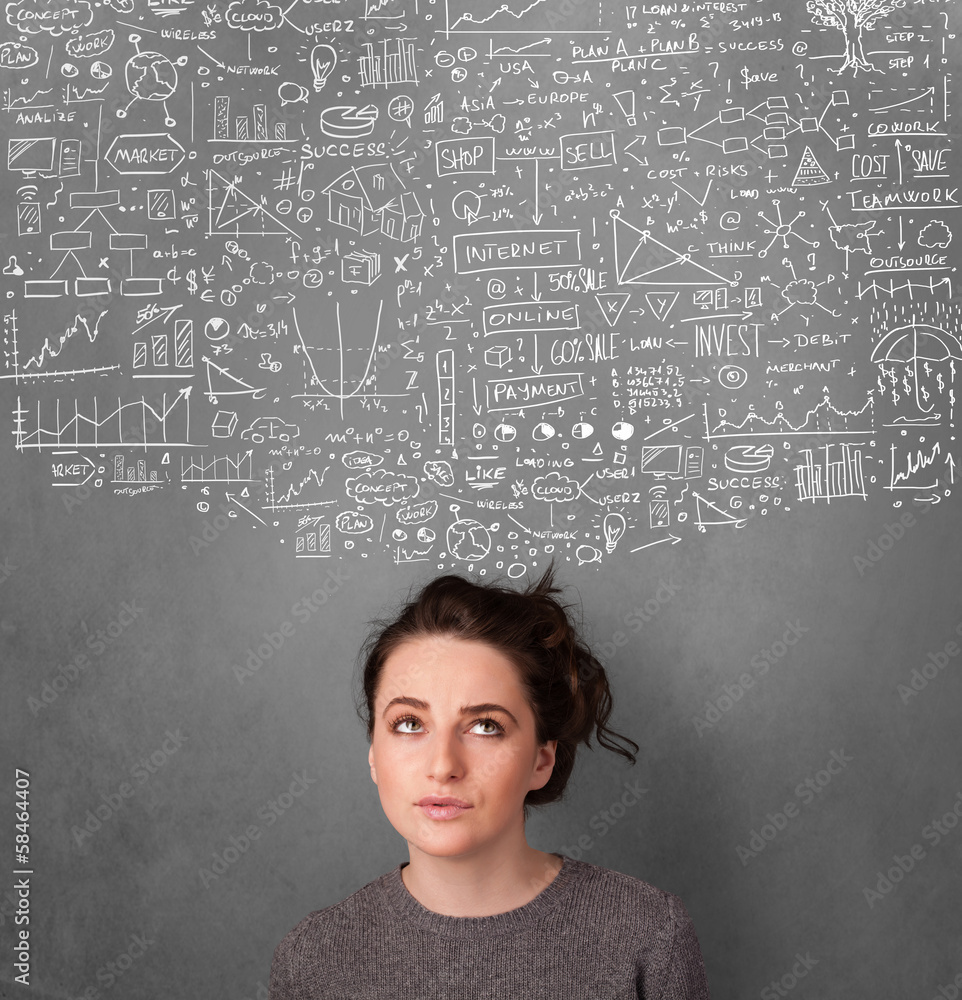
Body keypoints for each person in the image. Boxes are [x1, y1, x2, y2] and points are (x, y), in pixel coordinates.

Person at [269, 564, 711, 998]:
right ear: (373, 754)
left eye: (485, 726)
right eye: (408, 723)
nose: (443, 765)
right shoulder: (312, 960)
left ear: (542, 760)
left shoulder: (649, 934)